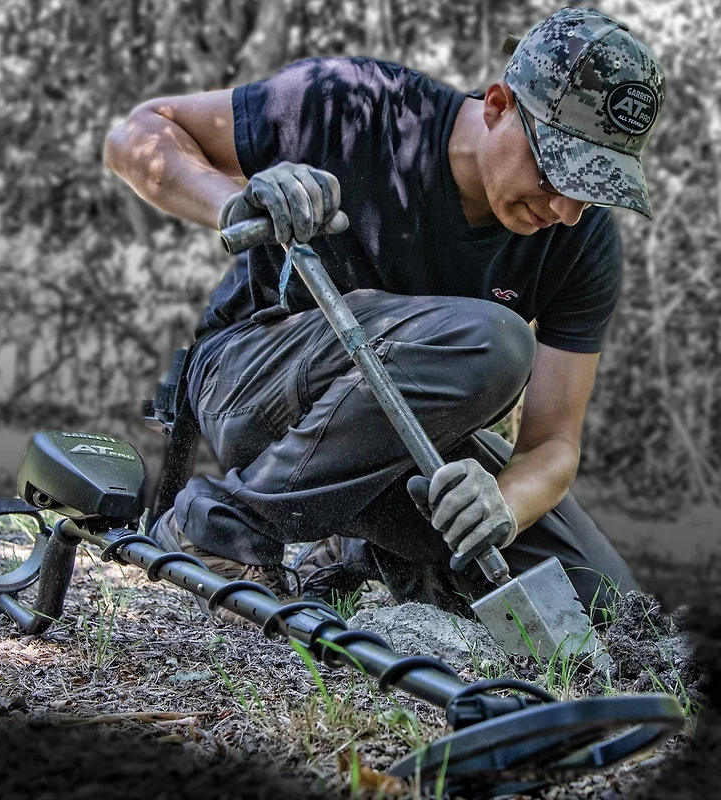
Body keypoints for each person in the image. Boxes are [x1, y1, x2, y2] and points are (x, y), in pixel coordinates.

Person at [104, 7, 665, 622]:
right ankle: (221, 526)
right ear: (499, 104)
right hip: (251, 381)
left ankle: (357, 549)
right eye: (553, 169)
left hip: (404, 447)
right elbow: (137, 134)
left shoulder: (580, 241)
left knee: (610, 604)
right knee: (495, 342)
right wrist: (236, 202)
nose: (564, 207)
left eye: (591, 187)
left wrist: (501, 502)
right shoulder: (355, 106)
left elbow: (554, 444)